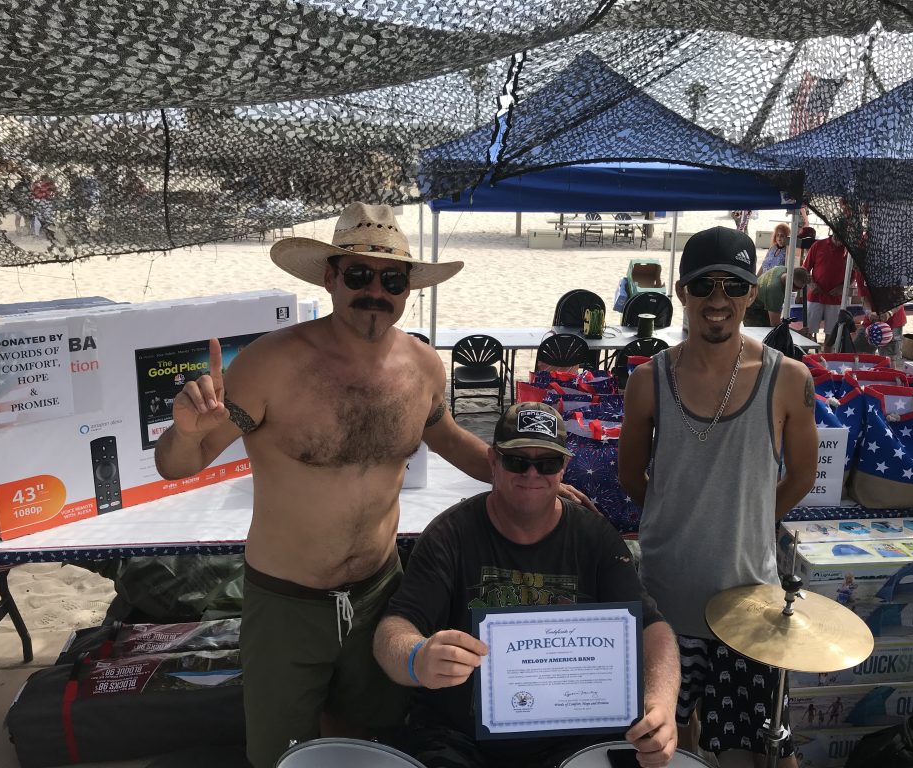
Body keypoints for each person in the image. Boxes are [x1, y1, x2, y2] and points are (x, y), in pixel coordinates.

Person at [153, 202, 592, 768]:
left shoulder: (423, 367)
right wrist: (184, 432)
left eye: (392, 280)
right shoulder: (270, 364)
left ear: (407, 289)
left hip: (381, 595)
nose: (375, 292)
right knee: (279, 754)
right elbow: (179, 464)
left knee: (374, 745)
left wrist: (528, 475)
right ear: (330, 277)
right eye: (359, 274)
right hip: (287, 603)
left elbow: (451, 439)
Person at [374, 402, 680, 768]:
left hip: (570, 737)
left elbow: (651, 627)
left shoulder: (595, 538)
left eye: (547, 463)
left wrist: (661, 702)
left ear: (563, 467)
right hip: (459, 738)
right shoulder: (449, 535)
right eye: (517, 461)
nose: (532, 473)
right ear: (493, 461)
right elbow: (393, 629)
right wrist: (417, 658)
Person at [618, 227, 818, 767]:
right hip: (667, 600)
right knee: (666, 746)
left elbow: (802, 474)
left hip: (749, 601)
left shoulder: (788, 379)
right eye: (704, 285)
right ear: (681, 291)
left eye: (734, 285)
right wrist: (680, 517)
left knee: (755, 752)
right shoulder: (648, 381)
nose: (718, 299)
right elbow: (631, 476)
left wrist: (747, 519)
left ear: (753, 293)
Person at [802, 229, 849, 350]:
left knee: (831, 334)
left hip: (835, 298)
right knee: (808, 331)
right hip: (815, 296)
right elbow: (805, 269)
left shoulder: (848, 249)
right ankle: (804, 356)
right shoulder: (818, 245)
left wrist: (842, 287)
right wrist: (811, 283)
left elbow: (853, 274)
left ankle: (827, 358)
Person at [744, 265, 809, 327]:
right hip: (753, 311)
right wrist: (797, 332)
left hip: (754, 300)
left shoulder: (781, 269)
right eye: (797, 287)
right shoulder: (775, 292)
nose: (797, 290)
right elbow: (775, 324)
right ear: (790, 283)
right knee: (768, 332)